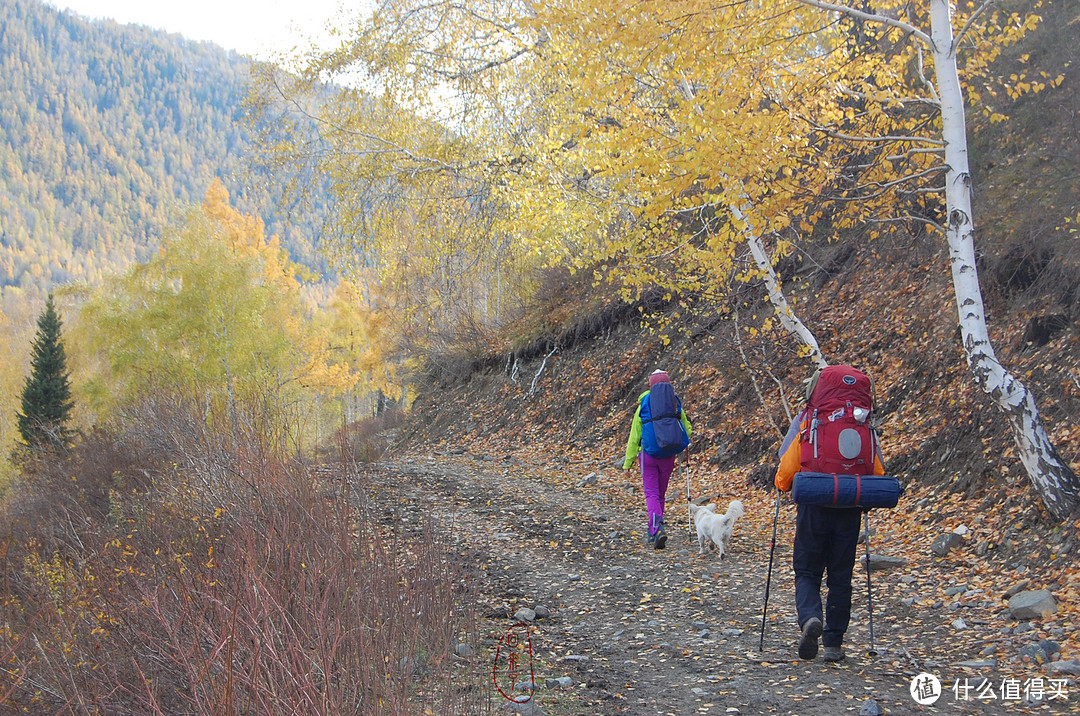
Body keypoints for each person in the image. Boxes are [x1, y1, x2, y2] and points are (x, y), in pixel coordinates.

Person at [774, 366, 884, 662]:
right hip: (849, 505)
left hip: (814, 502)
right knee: (841, 575)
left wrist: (781, 485)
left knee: (807, 570)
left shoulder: (809, 417)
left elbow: (786, 466)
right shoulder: (863, 421)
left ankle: (810, 618)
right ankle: (834, 644)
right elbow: (877, 469)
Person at [622, 369, 692, 549]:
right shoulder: (674, 403)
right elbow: (687, 429)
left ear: (650, 385)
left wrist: (627, 464)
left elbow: (634, 437)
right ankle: (653, 529)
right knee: (660, 494)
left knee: (651, 493)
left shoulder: (643, 405)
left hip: (648, 456)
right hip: (668, 455)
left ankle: (656, 527)